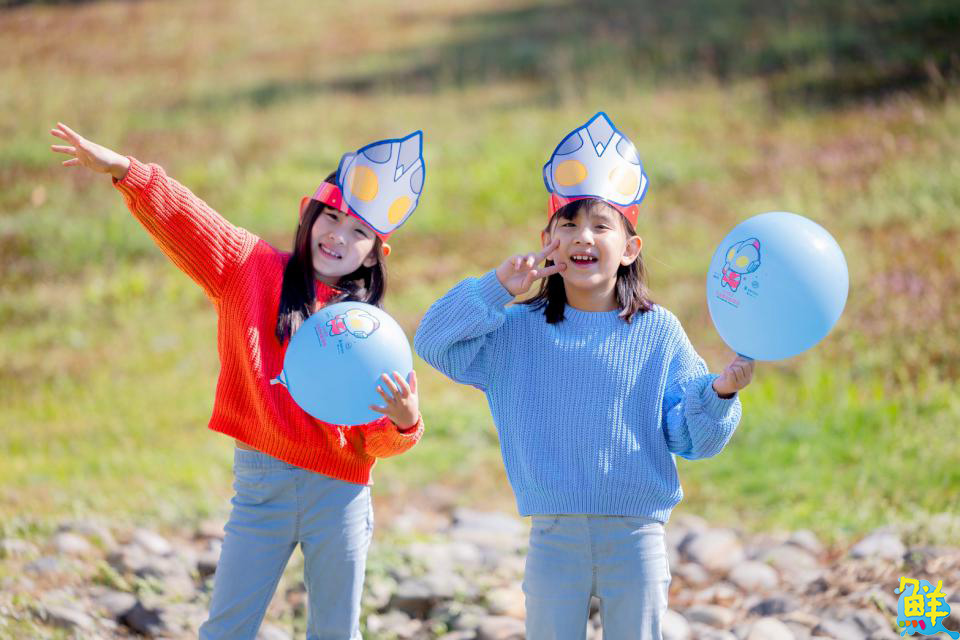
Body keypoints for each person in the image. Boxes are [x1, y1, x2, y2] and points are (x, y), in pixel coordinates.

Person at [50, 122, 427, 639]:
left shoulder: (372, 331)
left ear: (375, 253)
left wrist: (404, 423)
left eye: (359, 231)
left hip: (340, 496)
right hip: (261, 487)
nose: (339, 235)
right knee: (226, 629)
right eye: (332, 217)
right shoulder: (250, 269)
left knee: (336, 633)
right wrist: (126, 171)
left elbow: (373, 440)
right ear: (308, 214)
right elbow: (190, 221)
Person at [413, 112, 754, 639]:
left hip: (637, 535)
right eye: (568, 225)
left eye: (601, 225)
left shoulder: (658, 331)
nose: (583, 236)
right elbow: (433, 341)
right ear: (547, 239)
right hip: (553, 535)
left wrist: (721, 393)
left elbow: (692, 439)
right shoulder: (515, 331)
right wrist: (496, 287)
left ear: (630, 248)